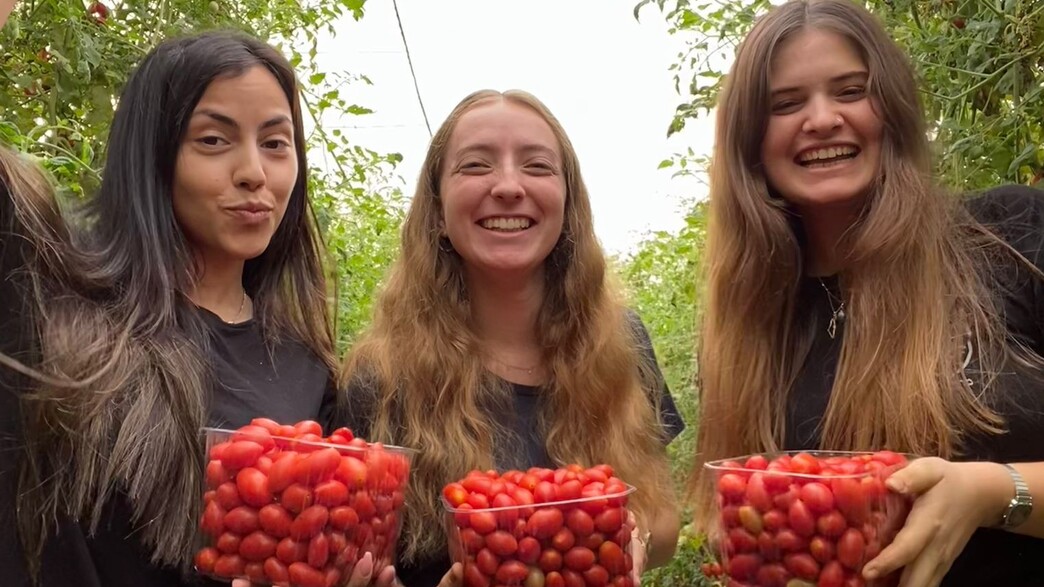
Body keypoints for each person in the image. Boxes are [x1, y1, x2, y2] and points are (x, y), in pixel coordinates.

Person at [0, 30, 389, 586]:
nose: (254, 171)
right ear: (152, 156)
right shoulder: (57, 309)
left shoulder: (306, 365)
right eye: (212, 140)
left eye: (276, 144)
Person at [691, 0, 1044, 585]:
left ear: (893, 110)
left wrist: (989, 490)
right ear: (751, 142)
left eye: (851, 90)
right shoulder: (750, 326)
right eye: (785, 104)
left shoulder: (1013, 235)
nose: (823, 119)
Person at [333, 89, 685, 586]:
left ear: (568, 204)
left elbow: (665, 520)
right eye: (475, 166)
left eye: (538, 166)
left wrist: (617, 545)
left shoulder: (622, 343)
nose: (507, 186)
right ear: (436, 210)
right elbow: (356, 557)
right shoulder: (381, 377)